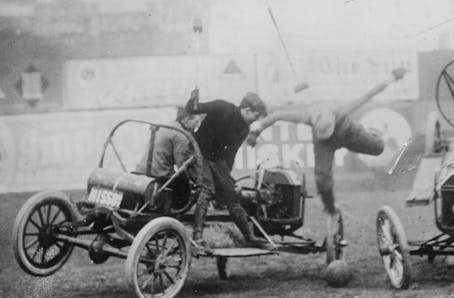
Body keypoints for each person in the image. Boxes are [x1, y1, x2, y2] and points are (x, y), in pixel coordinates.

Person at [246, 67, 407, 218]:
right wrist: (255, 131)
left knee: (378, 148)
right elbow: (277, 116)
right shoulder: (306, 115)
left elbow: (370, 93)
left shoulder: (343, 109)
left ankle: (372, 134)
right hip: (324, 144)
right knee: (322, 178)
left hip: (348, 133)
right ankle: (330, 208)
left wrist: (392, 77)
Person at [186, 89, 270, 249]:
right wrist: (193, 99)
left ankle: (249, 237)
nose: (254, 122)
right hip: (197, 152)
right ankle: (197, 236)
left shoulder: (243, 129)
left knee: (231, 195)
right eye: (255, 117)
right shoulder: (222, 107)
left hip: (216, 160)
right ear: (247, 110)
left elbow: (229, 157)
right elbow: (193, 109)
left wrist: (227, 182)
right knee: (207, 188)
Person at [135, 106, 200, 177]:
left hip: (142, 169)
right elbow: (182, 166)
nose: (197, 125)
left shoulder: (169, 125)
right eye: (196, 122)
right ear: (186, 120)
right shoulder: (182, 136)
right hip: (159, 174)